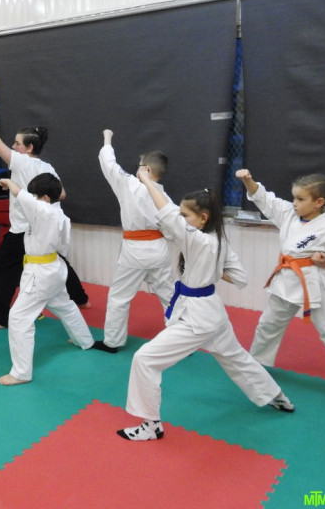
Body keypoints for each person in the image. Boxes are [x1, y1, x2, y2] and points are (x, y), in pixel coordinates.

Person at [118, 170, 294, 441]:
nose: (181, 220)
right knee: (236, 357)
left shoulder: (198, 240)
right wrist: (212, 268)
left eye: (186, 216)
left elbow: (166, 212)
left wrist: (148, 181)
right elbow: (240, 278)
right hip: (212, 312)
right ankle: (277, 396)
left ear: (203, 218)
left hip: (197, 318)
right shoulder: (218, 242)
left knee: (145, 359)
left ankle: (151, 425)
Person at [236, 169, 325, 408]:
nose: (294, 203)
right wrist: (248, 180)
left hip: (315, 284)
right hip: (286, 279)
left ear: (319, 202)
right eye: (294, 197)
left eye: (300, 199)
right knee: (268, 325)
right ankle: (256, 368)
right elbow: (264, 198)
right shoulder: (289, 213)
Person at [0, 113, 89, 331]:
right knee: (58, 261)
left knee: (1, 271)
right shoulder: (48, 167)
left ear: (28, 148)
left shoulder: (21, 162)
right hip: (46, 229)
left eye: (17, 143)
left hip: (24, 230)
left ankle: (0, 318)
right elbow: (62, 194)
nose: (13, 146)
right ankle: (81, 298)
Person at [0, 173, 95, 385]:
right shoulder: (59, 214)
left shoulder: (45, 211)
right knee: (65, 305)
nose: (33, 199)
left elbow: (22, 196)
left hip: (40, 272)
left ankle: (21, 373)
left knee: (19, 318)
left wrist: (9, 182)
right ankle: (85, 341)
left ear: (46, 197)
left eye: (36, 195)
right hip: (54, 268)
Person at [93, 129, 175, 353]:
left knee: (119, 297)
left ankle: (112, 342)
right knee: (169, 295)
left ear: (146, 169)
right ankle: (181, 340)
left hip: (135, 252)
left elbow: (108, 163)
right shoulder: (165, 198)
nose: (137, 169)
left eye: (140, 165)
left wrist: (107, 138)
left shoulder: (129, 184)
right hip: (159, 249)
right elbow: (173, 228)